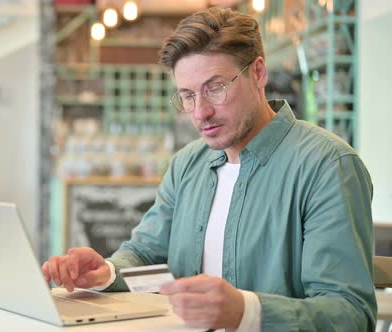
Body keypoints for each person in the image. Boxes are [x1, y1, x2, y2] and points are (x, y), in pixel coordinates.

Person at [42, 7, 376, 331]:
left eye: (215, 88)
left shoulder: (327, 166)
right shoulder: (187, 164)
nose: (200, 112)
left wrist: (246, 312)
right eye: (187, 95)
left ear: (258, 72)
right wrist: (107, 273)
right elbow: (146, 254)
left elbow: (349, 313)